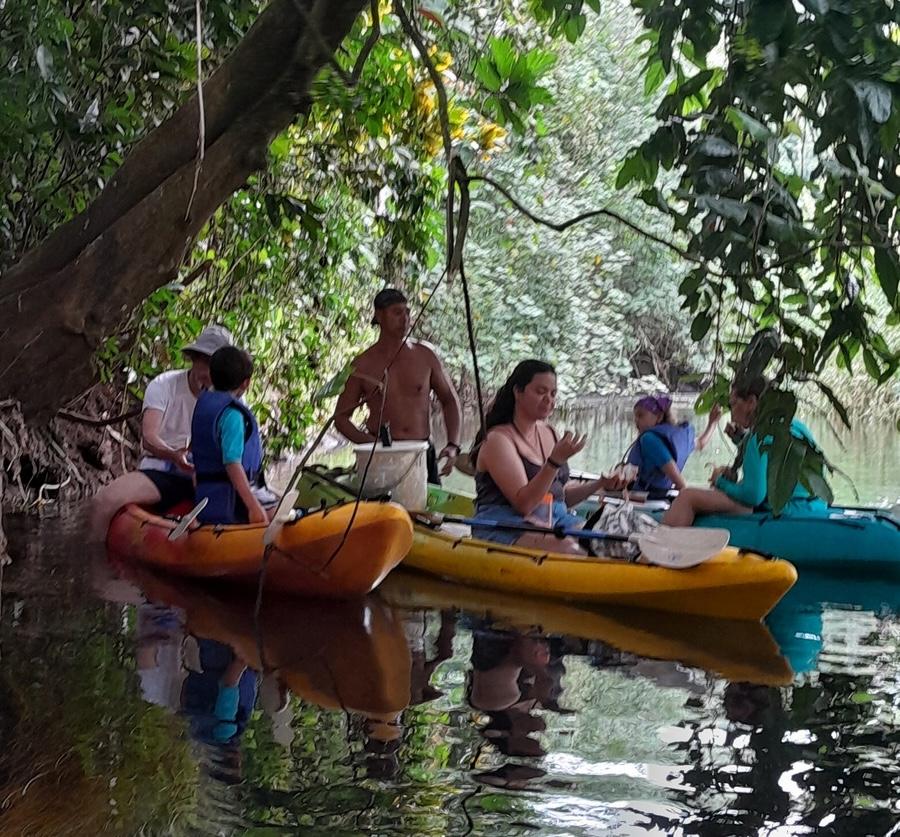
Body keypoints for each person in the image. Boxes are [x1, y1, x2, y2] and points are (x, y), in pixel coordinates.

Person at [89, 324, 233, 538]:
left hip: (209, 479)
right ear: (194, 360)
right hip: (163, 472)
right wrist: (175, 456)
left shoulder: (232, 399)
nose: (211, 377)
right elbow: (149, 438)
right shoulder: (165, 385)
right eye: (208, 365)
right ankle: (95, 560)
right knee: (103, 501)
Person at [471, 360, 625, 554]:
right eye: (540, 392)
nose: (549, 400)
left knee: (609, 539)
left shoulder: (550, 432)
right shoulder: (498, 440)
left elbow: (561, 496)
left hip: (555, 518)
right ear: (518, 392)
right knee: (570, 549)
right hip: (504, 523)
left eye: (553, 394)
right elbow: (524, 505)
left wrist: (600, 484)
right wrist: (554, 462)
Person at [333, 288, 462, 484]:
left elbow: (449, 400)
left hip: (421, 450)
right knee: (384, 514)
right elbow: (341, 418)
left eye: (407, 312)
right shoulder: (362, 364)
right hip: (381, 456)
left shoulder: (425, 355)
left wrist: (453, 444)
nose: (405, 318)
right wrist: (372, 445)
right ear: (379, 315)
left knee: (428, 512)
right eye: (397, 312)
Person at [663, 375, 824, 527]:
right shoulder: (795, 425)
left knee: (687, 496)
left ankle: (656, 549)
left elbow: (754, 496)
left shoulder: (757, 436)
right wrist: (740, 440)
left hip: (787, 511)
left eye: (733, 404)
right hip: (814, 506)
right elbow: (770, 459)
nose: (731, 413)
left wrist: (719, 481)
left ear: (751, 402)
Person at [191, 346, 267, 525]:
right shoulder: (233, 416)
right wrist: (254, 507)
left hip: (207, 497)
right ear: (245, 383)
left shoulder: (204, 405)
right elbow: (232, 463)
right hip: (232, 502)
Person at [626, 394, 721, 498]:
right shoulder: (675, 437)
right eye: (635, 416)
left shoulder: (648, 439)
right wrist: (713, 423)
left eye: (640, 415)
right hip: (661, 494)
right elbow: (701, 443)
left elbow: (680, 483)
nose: (635, 420)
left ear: (659, 417)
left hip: (648, 497)